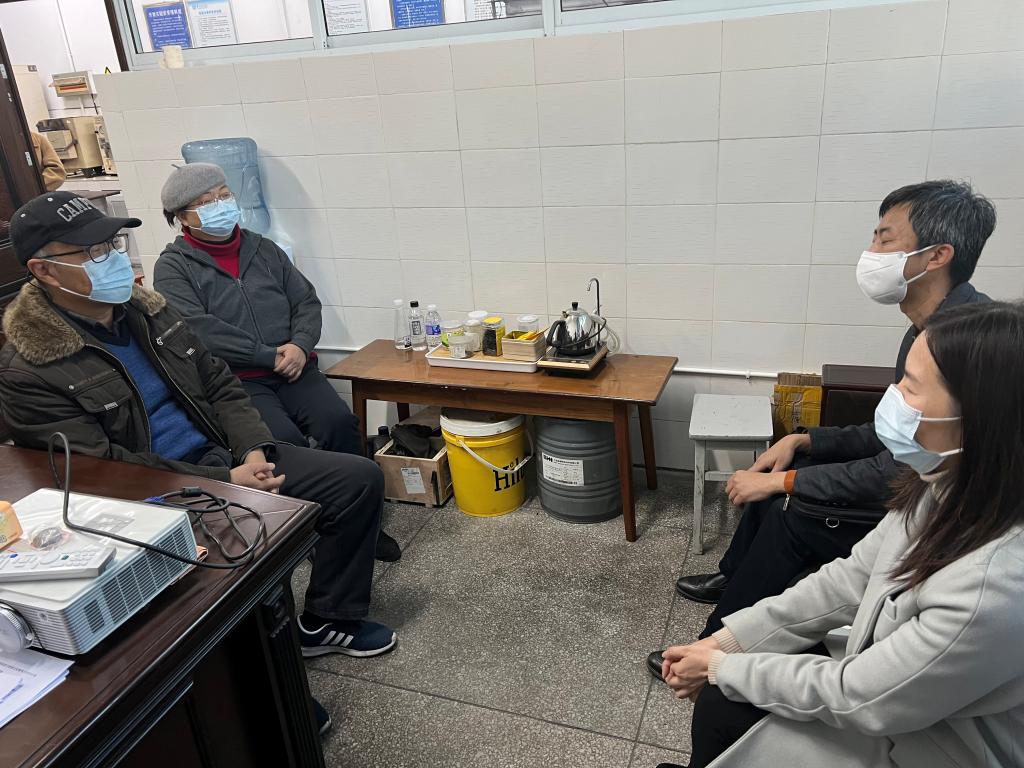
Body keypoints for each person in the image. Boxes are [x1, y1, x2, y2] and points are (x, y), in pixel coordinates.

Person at [0, 193, 398, 732]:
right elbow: (101, 470)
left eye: (112, 244)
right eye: (91, 251)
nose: (112, 258)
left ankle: (327, 618)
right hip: (154, 493)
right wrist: (224, 481)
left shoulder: (149, 312)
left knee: (356, 479)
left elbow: (219, 383)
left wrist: (252, 449)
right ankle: (270, 692)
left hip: (223, 455)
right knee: (240, 565)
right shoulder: (30, 367)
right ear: (44, 270)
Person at [648, 179, 996, 677]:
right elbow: (889, 431)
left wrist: (783, 484)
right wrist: (803, 439)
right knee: (791, 458)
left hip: (938, 506)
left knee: (792, 512)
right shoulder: (927, 325)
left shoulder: (966, 344)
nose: (871, 253)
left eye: (885, 239)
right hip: (912, 478)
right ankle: (736, 576)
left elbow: (898, 469)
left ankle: (712, 648)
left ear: (937, 255)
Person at [656, 300, 1024, 768]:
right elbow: (852, 577)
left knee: (726, 698)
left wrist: (720, 668)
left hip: (934, 744)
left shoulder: (994, 586)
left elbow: (861, 697)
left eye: (910, 386)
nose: (893, 397)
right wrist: (727, 642)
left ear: (980, 417)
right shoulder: (942, 485)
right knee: (736, 688)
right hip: (899, 703)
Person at [150, 163, 399, 562]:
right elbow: (198, 329)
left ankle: (365, 523)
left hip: (295, 368)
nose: (220, 205)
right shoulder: (173, 267)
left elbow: (306, 302)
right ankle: (313, 532)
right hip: (238, 381)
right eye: (206, 202)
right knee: (285, 444)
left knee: (339, 423)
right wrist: (266, 355)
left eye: (224, 195)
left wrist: (299, 345)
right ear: (182, 216)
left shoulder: (263, 248)